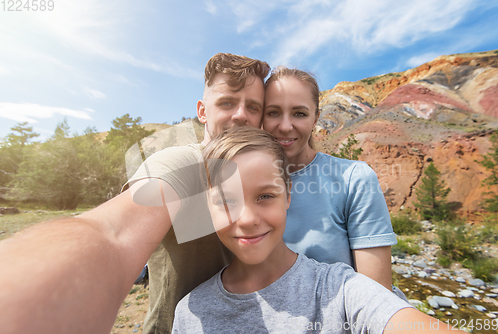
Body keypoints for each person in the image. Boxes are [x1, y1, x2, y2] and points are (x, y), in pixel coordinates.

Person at [0, 53, 270, 334]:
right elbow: (113, 233)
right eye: (227, 103)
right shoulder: (180, 164)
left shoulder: (259, 174)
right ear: (202, 111)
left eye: (253, 106)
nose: (241, 115)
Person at [172, 126, 461, 333]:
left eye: (265, 196)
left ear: (288, 195)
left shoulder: (340, 291)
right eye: (226, 201)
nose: (247, 219)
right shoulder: (189, 311)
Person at [263, 67, 398, 293]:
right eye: (273, 112)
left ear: (316, 118)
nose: (285, 126)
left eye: (299, 113)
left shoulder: (354, 179)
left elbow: (376, 297)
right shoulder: (238, 183)